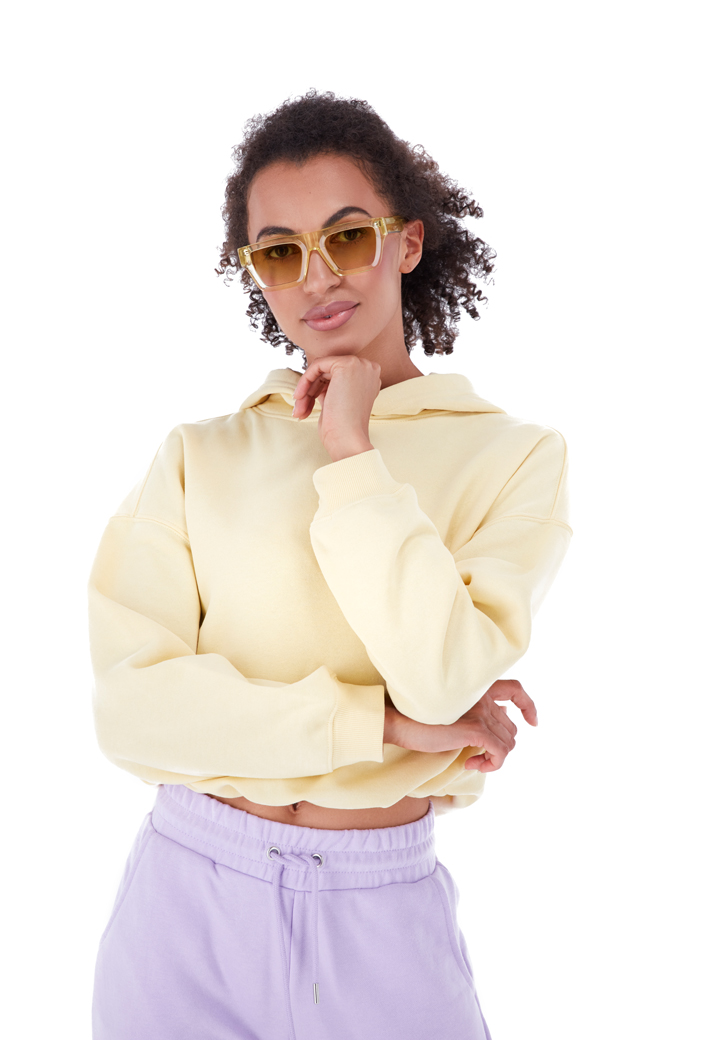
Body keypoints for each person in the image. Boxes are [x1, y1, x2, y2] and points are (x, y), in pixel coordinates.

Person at [88, 91, 572, 1040]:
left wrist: (354, 452)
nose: (316, 277)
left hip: (379, 919)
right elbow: (131, 712)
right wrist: (377, 724)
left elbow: (441, 681)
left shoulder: (514, 457)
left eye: (347, 237)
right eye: (279, 252)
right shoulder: (199, 454)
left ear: (407, 242)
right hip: (184, 908)